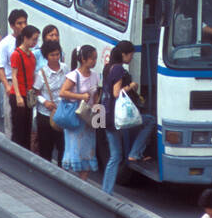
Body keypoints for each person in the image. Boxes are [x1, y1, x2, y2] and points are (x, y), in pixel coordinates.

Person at [99, 41, 156, 194]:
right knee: (150, 120)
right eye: (130, 54)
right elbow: (116, 93)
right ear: (123, 54)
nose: (131, 57)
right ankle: (134, 153)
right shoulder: (118, 69)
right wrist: (131, 86)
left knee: (115, 156)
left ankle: (106, 191)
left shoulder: (107, 67)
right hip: (117, 117)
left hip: (107, 116)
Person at [60, 45, 100, 181]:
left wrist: (97, 107)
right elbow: (63, 92)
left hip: (88, 119)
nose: (94, 61)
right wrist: (81, 97)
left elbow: (95, 95)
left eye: (95, 58)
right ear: (83, 59)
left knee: (87, 152)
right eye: (92, 59)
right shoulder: (73, 75)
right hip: (75, 119)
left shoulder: (95, 76)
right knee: (74, 151)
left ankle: (83, 182)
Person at [32, 38, 67, 164]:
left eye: (57, 54)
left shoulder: (65, 68)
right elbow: (35, 92)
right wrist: (44, 102)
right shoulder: (42, 73)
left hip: (61, 114)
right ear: (46, 56)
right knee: (46, 148)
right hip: (45, 115)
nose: (55, 57)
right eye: (52, 55)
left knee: (62, 146)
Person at [0, 8, 29, 137]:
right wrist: (7, 87)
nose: (23, 26)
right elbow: (0, 67)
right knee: (10, 118)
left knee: (26, 119)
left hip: (26, 85)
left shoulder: (29, 42)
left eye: (25, 22)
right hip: (11, 84)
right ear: (12, 25)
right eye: (19, 23)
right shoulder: (5, 43)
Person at [5, 25, 40, 149]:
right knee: (18, 130)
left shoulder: (31, 55)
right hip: (18, 95)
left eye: (36, 39)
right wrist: (18, 96)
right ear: (25, 38)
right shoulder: (17, 54)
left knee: (27, 129)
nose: (35, 42)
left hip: (28, 95)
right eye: (33, 39)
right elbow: (13, 75)